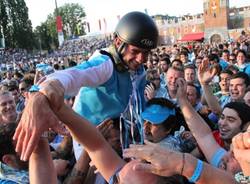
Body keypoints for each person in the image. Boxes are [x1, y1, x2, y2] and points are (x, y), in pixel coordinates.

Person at [13, 11, 159, 161]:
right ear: (118, 42)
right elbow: (72, 76)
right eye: (135, 51)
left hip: (121, 138)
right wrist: (38, 96)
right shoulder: (105, 64)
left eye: (146, 53)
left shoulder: (139, 71)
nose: (142, 59)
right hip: (90, 144)